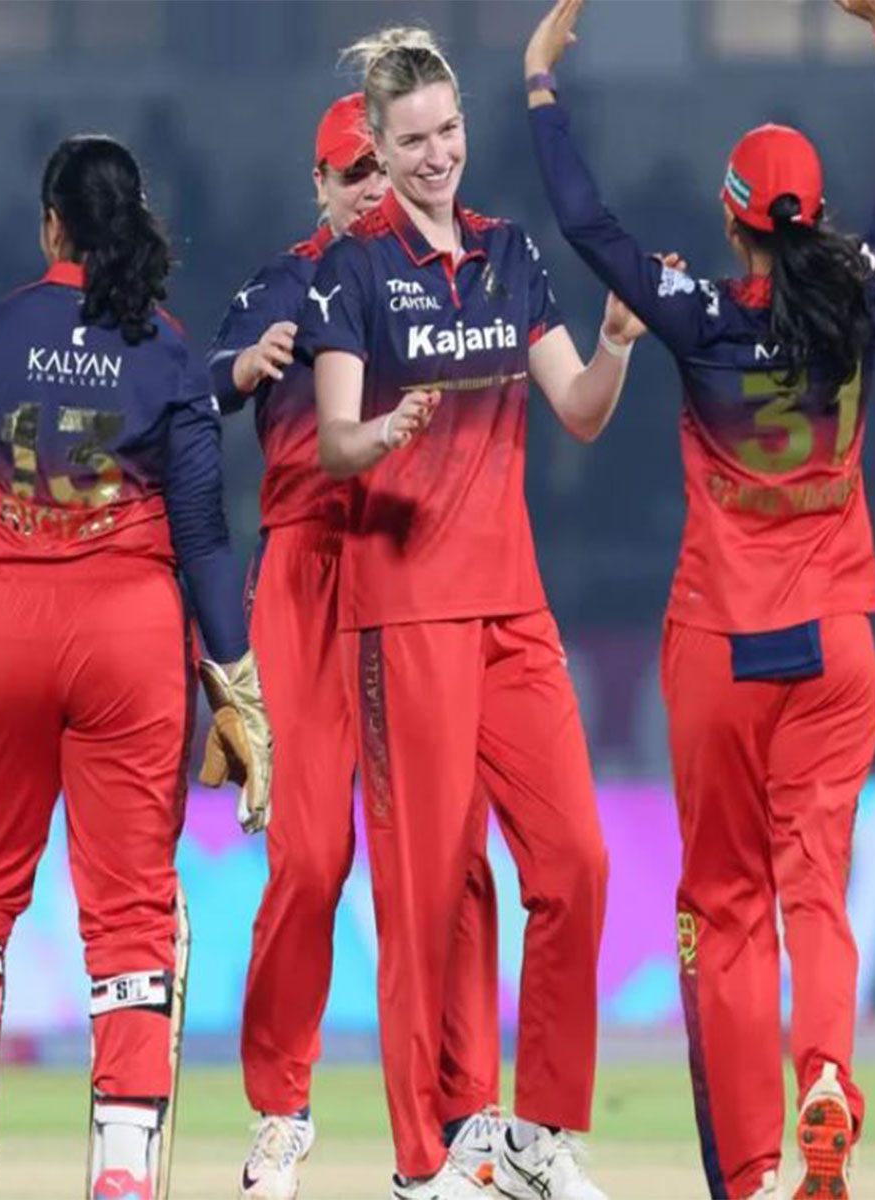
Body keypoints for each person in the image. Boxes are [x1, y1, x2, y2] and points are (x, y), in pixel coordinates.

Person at [523, 2, 875, 1198]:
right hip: (837, 643)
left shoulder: (694, 314)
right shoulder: (861, 299)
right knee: (818, 889)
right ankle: (829, 1079)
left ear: (729, 215)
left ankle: (752, 1168)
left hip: (718, 645)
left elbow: (585, 221)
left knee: (725, 901)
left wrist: (541, 88)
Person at [299, 26, 652, 1200]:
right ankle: (421, 1166)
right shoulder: (354, 272)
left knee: (578, 863)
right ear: (379, 153)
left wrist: (611, 350)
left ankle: (540, 1132)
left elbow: (582, 414)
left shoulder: (511, 256)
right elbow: (338, 437)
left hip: (513, 609)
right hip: (403, 615)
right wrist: (381, 435)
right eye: (412, 141)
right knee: (423, 894)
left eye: (449, 130)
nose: (438, 154)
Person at [0, 134, 272, 1200]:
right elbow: (205, 538)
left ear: (52, 225)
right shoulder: (163, 348)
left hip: (4, 625)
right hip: (129, 637)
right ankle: (120, 1165)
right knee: (129, 908)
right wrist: (236, 689)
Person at [207, 94, 506, 1199]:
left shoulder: (451, 271)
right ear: (319, 186)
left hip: (423, 565)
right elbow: (180, 400)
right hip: (304, 575)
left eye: (380, 170)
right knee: (309, 859)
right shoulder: (283, 286)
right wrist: (239, 373)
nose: (372, 191)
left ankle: (465, 1112)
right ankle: (281, 1111)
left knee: (449, 854)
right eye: (349, 176)